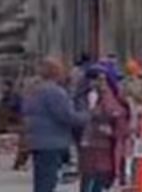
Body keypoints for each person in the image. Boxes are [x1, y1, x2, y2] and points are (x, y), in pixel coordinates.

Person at [24, 56, 89, 192]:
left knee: (41, 180)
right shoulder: (54, 92)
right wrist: (87, 116)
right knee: (48, 181)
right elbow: (66, 116)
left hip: (37, 140)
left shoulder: (33, 90)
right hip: (51, 141)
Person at [77, 67, 130, 192]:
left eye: (101, 79)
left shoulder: (111, 97)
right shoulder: (83, 96)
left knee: (100, 175)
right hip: (89, 142)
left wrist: (113, 129)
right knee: (89, 176)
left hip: (104, 144)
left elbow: (119, 117)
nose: (97, 82)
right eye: (95, 79)